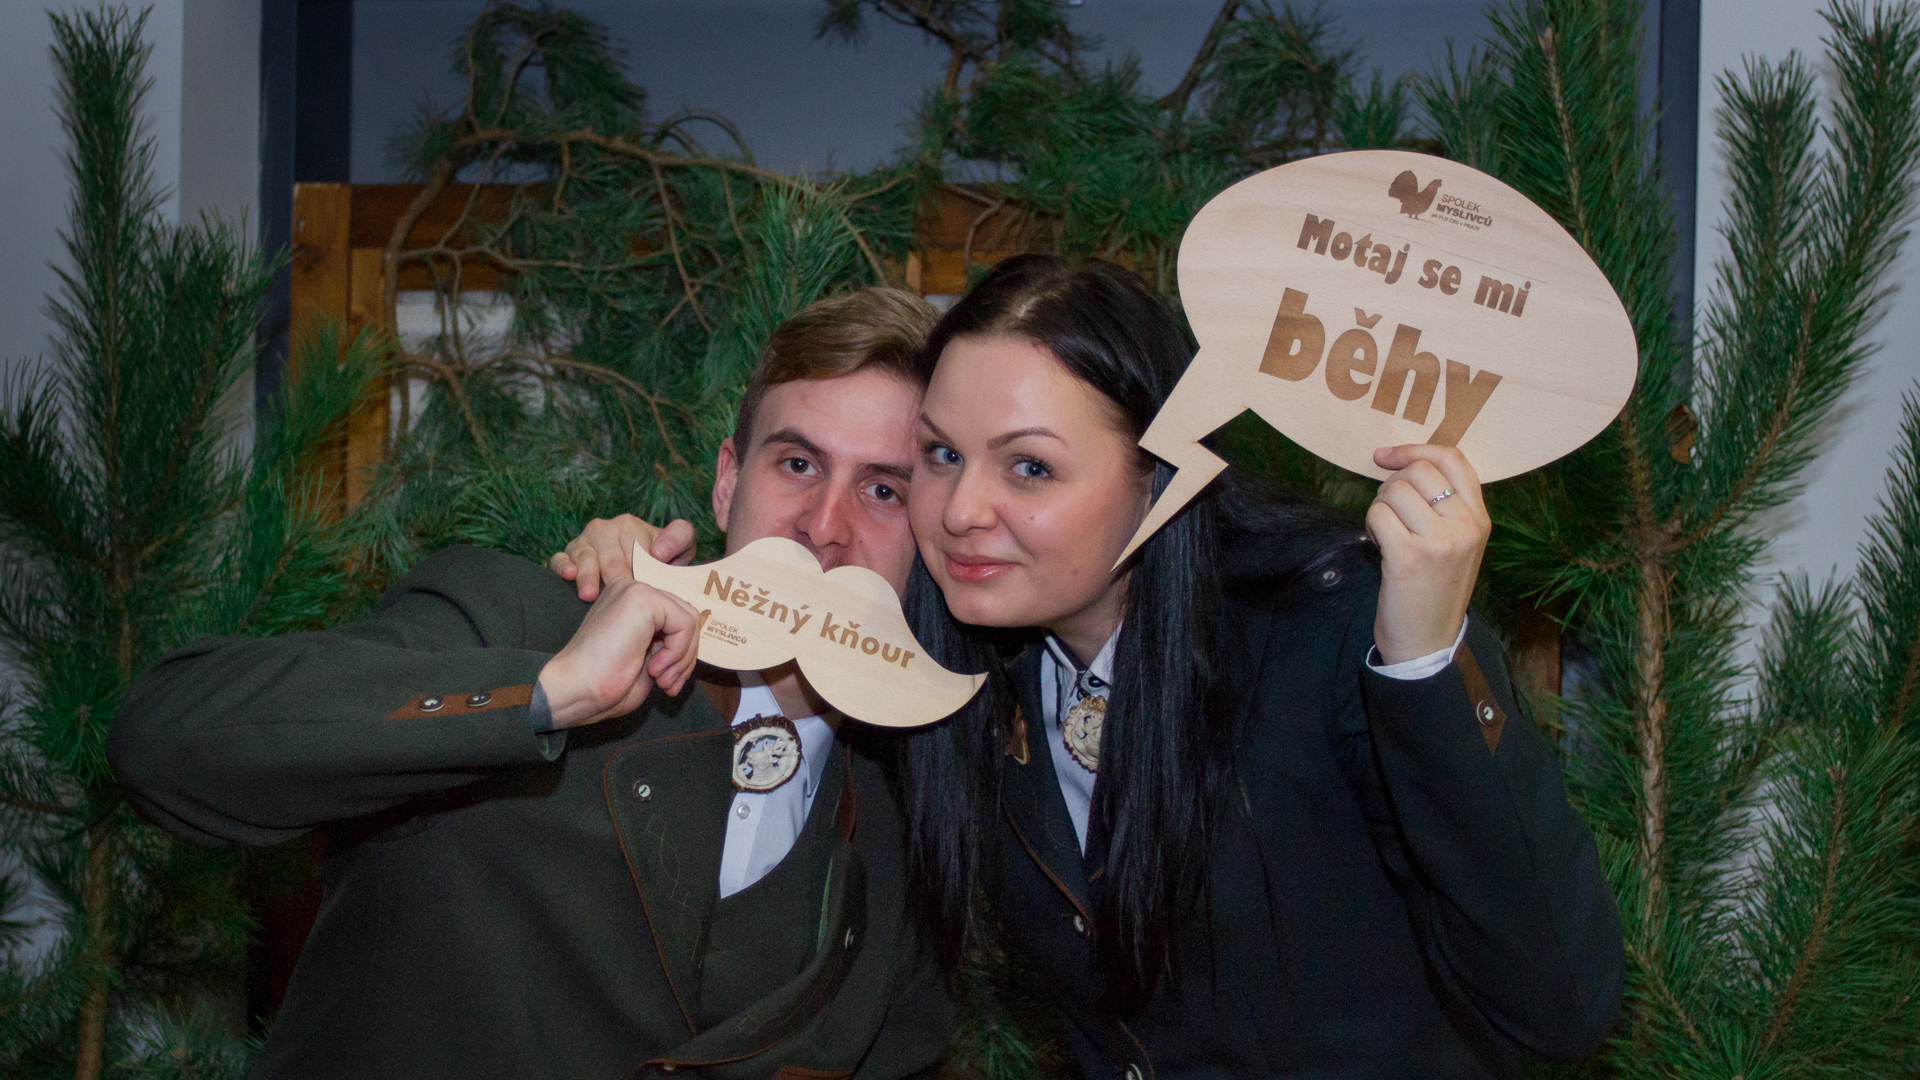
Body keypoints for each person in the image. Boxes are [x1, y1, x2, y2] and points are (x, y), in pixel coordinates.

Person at [562, 256, 1625, 1079]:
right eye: (941, 456)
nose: (961, 510)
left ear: (1159, 483)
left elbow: (1557, 1008)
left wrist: (1427, 665)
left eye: (1030, 466)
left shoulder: (1331, 635)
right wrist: (636, 571)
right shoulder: (965, 677)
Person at [107, 288, 951, 1080]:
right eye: (797, 463)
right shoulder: (519, 621)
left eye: (883, 490)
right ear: (729, 481)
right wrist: (547, 691)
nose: (824, 526)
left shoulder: (913, 827)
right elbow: (162, 738)